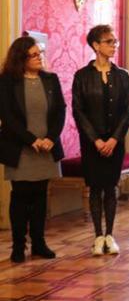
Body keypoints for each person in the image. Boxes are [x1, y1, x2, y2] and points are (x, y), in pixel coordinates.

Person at [0, 36, 65, 263]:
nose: (40, 58)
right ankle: (18, 246)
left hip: (46, 148)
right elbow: (7, 116)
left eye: (41, 54)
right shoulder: (8, 81)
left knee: (40, 197)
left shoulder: (50, 79)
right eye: (35, 55)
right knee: (20, 197)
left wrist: (50, 138)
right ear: (21, 58)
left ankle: (39, 243)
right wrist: (31, 140)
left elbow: (60, 112)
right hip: (20, 149)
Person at [72, 25, 129, 256]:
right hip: (92, 143)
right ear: (96, 45)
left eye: (115, 41)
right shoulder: (82, 76)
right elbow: (79, 112)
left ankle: (110, 235)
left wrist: (115, 139)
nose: (114, 45)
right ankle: (97, 236)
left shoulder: (123, 75)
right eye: (109, 41)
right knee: (95, 188)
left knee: (111, 187)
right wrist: (96, 140)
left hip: (114, 143)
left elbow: (128, 112)